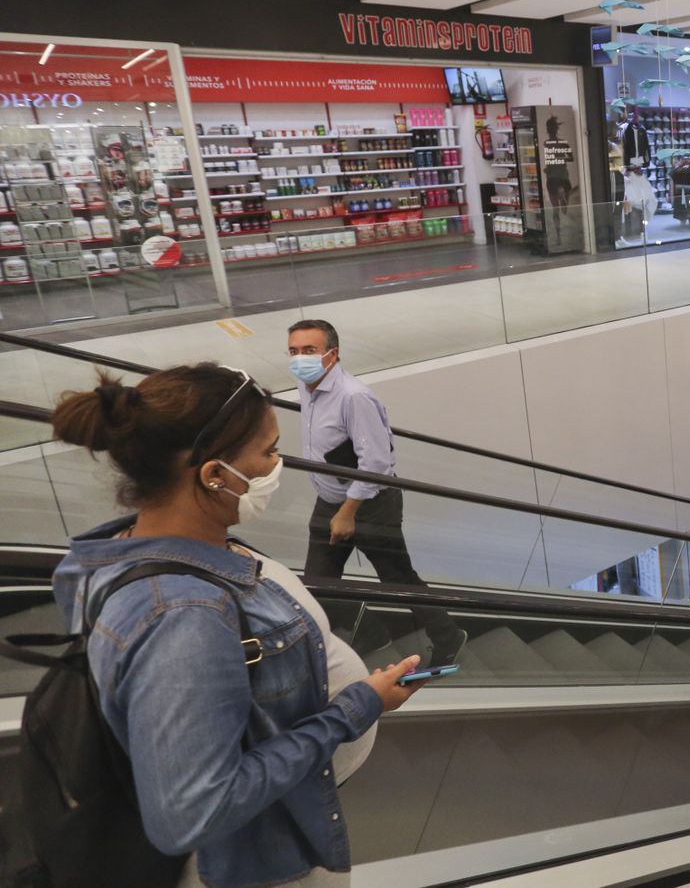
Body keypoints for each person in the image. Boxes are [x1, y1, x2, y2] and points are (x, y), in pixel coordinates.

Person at [49, 363, 426, 887]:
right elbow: (193, 812)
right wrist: (357, 707)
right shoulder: (182, 617)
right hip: (252, 870)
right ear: (214, 474)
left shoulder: (133, 550)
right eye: (268, 451)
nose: (277, 464)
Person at [288, 319, 466, 666]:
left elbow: (377, 462)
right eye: (293, 351)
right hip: (330, 500)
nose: (299, 359)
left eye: (308, 351)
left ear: (331, 354)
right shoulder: (306, 385)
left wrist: (348, 512)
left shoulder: (355, 397)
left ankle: (449, 637)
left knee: (397, 578)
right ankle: (369, 631)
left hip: (369, 504)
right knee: (318, 584)